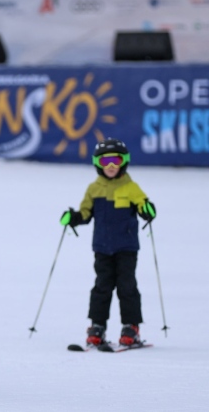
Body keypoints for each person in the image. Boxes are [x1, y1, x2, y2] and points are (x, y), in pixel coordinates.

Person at [59, 138, 157, 347]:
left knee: (126, 286)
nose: (111, 166)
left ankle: (131, 327)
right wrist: (73, 217)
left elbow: (143, 206)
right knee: (102, 287)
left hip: (126, 248)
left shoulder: (131, 187)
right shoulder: (94, 189)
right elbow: (85, 213)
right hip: (103, 248)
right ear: (97, 164)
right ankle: (97, 326)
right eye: (105, 162)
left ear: (124, 162)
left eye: (115, 160)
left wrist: (147, 211)